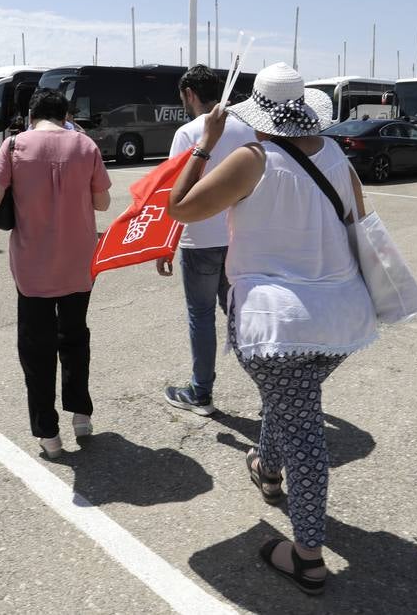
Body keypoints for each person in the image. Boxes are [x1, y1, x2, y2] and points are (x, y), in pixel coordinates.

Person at [165, 63, 376, 596]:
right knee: (292, 403)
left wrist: (203, 145)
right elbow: (359, 225)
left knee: (300, 425)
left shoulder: (251, 159)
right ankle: (265, 465)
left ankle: (307, 555)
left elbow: (181, 208)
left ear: (258, 113)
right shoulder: (338, 159)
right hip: (343, 319)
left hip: (276, 324)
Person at [0, 88, 111, 460]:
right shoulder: (86, 146)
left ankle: (49, 434)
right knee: (75, 337)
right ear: (66, 113)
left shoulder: (15, 146)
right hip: (79, 263)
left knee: (36, 349)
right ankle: (81, 415)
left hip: (33, 266)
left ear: (32, 113)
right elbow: (102, 201)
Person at [156, 65, 257, 416]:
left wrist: (164, 245)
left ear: (189, 94)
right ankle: (270, 386)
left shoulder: (187, 133)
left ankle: (201, 392)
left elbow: (173, 193)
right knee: (241, 314)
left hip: (198, 239)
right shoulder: (248, 130)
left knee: (201, 315)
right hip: (238, 236)